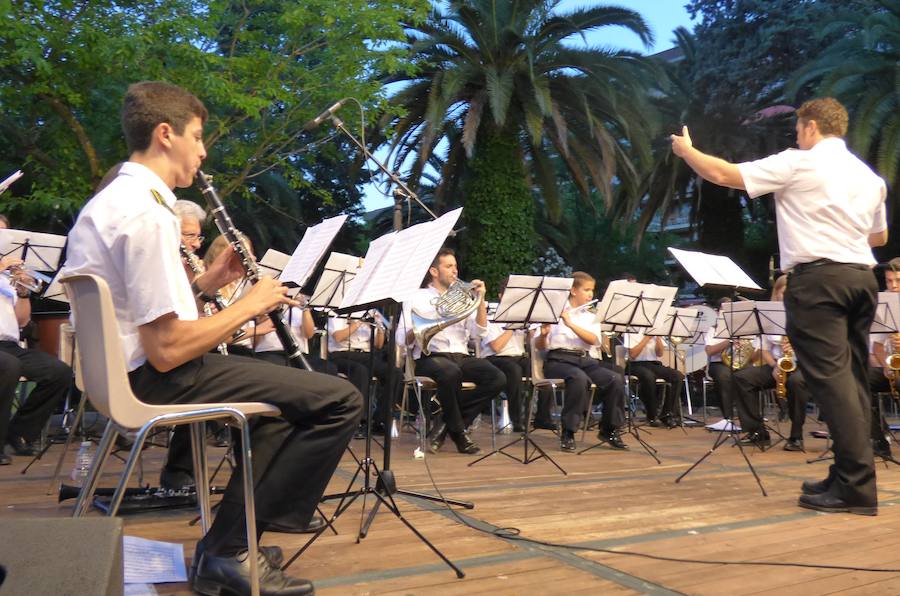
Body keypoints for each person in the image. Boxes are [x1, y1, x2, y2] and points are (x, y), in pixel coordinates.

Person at [62, 81, 362, 595]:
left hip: (128, 371)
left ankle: (232, 543)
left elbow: (141, 314)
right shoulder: (149, 215)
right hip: (156, 378)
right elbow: (167, 350)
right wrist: (250, 303)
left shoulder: (113, 202)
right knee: (339, 399)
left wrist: (206, 286)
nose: (203, 152)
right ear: (165, 134)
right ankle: (228, 551)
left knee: (287, 398)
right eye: (197, 137)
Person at [672, 97, 888, 515]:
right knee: (854, 379)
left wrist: (686, 151)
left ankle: (857, 488)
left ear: (809, 127)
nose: (796, 136)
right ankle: (848, 475)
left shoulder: (799, 162)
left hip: (820, 281)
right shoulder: (868, 175)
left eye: (797, 130)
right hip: (862, 280)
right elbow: (878, 238)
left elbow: (722, 173)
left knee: (831, 382)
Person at [399, 248, 505, 455]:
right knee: (450, 372)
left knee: (497, 378)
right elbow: (402, 339)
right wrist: (433, 318)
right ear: (434, 271)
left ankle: (444, 424)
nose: (455, 271)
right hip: (430, 357)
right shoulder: (416, 297)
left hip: (461, 356)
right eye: (448, 266)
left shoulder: (464, 295)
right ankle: (458, 433)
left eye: (455, 266)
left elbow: (480, 331)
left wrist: (480, 300)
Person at [0, 218, 72, 465]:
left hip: (8, 344)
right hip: (6, 357)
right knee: (8, 366)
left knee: (59, 371)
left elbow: (22, 321)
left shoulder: (6, 277)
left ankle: (18, 432)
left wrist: (22, 292)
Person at [535, 271, 627, 452]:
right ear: (573, 290)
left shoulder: (589, 315)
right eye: (586, 290)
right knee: (578, 379)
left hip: (584, 359)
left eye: (591, 290)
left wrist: (570, 324)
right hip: (558, 360)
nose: (590, 294)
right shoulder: (553, 311)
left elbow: (593, 340)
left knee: (615, 379)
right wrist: (544, 335)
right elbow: (539, 346)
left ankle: (608, 429)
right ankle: (568, 432)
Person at [732, 275, 811, 451]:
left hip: (801, 365)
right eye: (783, 293)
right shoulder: (769, 315)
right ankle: (757, 431)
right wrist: (774, 365)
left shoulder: (807, 315)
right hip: (776, 364)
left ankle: (796, 436)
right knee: (742, 378)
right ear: (777, 293)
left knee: (796, 382)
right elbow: (762, 348)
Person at [327, 309, 402, 436]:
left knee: (394, 373)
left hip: (365, 355)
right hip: (341, 354)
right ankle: (359, 421)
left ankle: (380, 420)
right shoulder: (337, 311)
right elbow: (338, 337)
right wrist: (359, 322)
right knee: (361, 371)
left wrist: (379, 327)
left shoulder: (371, 311)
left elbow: (378, 345)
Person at [479, 281, 530, 434]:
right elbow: (496, 346)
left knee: (539, 367)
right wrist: (512, 327)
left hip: (519, 356)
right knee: (514, 370)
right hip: (496, 358)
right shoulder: (491, 316)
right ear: (501, 296)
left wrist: (535, 332)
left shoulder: (523, 315)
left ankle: (542, 417)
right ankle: (516, 420)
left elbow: (531, 343)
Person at [705, 298, 740, 427]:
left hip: (738, 363)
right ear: (718, 311)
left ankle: (750, 418)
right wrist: (728, 342)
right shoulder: (713, 329)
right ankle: (728, 418)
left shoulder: (741, 328)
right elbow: (709, 351)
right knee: (724, 376)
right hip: (718, 363)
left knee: (750, 375)